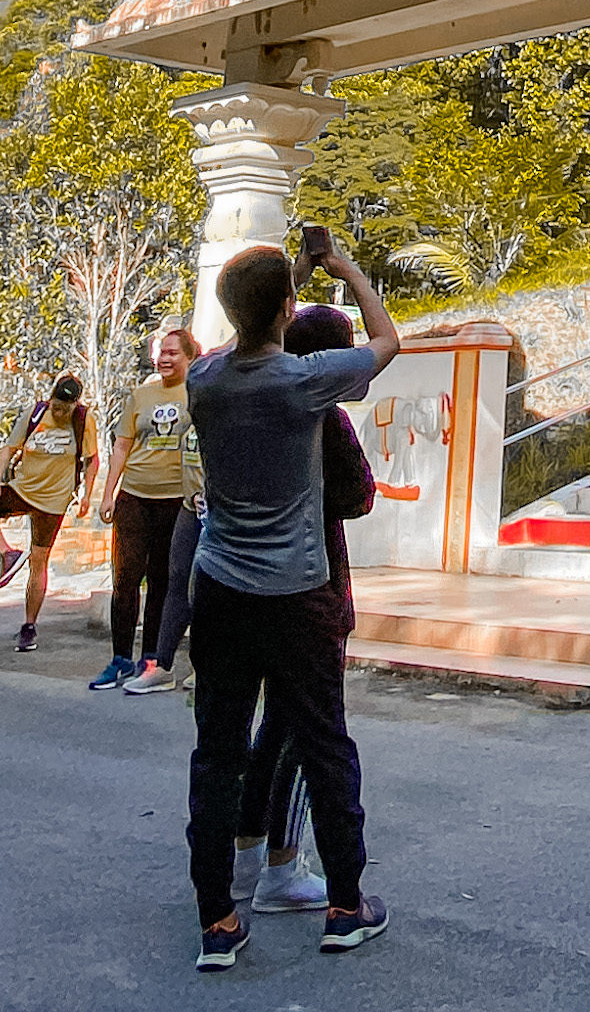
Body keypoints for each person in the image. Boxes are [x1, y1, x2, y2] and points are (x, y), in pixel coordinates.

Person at [184, 228, 399, 972]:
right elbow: (385, 339)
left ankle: (216, 918)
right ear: (285, 308)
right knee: (323, 741)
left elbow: (243, 328)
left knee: (217, 749)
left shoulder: (204, 380)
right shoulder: (302, 383)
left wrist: (286, 280)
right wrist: (344, 267)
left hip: (218, 582)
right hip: (296, 587)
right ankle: (345, 905)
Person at [229, 302, 377, 914]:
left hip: (243, 582)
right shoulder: (321, 416)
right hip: (312, 588)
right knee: (302, 735)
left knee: (261, 730)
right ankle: (285, 869)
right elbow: (358, 494)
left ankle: (242, 852)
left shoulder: (241, 399)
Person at [93, 323, 199, 693]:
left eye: (173, 352)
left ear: (188, 356)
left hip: (177, 502)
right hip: (134, 497)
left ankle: (151, 659)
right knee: (124, 581)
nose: (165, 359)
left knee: (163, 583)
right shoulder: (141, 394)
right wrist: (108, 493)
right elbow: (122, 445)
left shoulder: (198, 391)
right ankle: (119, 658)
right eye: (161, 352)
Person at [0, 372, 95, 655]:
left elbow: (91, 460)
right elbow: (7, 451)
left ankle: (29, 625)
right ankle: (7, 553)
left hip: (54, 501)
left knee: (39, 561)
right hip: (22, 489)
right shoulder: (36, 414)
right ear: (51, 398)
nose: (59, 412)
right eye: (56, 406)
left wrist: (88, 495)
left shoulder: (83, 420)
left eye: (65, 408)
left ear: (75, 405)